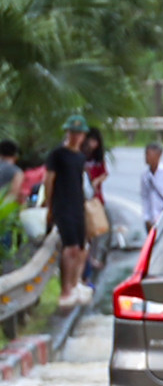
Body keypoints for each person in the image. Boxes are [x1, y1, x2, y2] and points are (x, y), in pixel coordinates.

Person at [38, 116, 89, 307]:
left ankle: (75, 284)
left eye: (79, 133)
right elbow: (49, 180)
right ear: (67, 133)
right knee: (70, 247)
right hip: (62, 205)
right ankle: (65, 289)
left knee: (82, 248)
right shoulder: (57, 154)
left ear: (83, 136)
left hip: (77, 205)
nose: (75, 136)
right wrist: (49, 205)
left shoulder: (80, 157)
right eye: (72, 132)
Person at [138, 140, 163, 227]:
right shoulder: (145, 176)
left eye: (149, 154)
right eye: (146, 154)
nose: (146, 157)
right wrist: (146, 218)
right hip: (152, 219)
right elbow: (144, 197)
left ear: (158, 155)